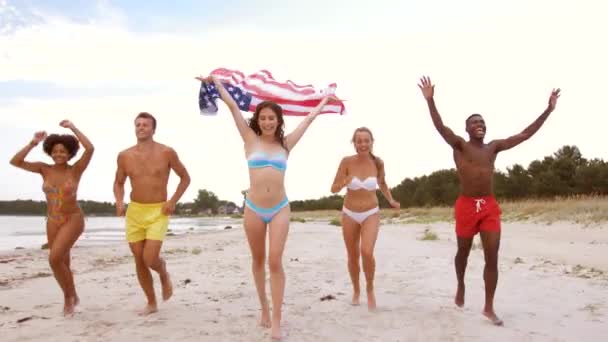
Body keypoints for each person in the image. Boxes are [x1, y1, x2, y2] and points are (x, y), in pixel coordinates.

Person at [197, 74, 334, 340]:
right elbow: (233, 108)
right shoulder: (249, 139)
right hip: (254, 209)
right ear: (257, 121)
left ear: (278, 121)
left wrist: (324, 100)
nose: (268, 122)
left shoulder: (286, 143)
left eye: (272, 118)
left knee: (275, 261)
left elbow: (308, 120)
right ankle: (263, 308)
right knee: (258, 260)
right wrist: (216, 84)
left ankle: (277, 320)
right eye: (263, 118)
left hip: (280, 207)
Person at [418, 76, 560, 325]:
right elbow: (441, 128)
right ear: (467, 129)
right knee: (462, 252)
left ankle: (488, 307)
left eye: (482, 121)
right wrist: (430, 101)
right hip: (466, 206)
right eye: (474, 122)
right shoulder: (460, 146)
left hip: (489, 207)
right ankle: (461, 283)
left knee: (491, 256)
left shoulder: (493, 147)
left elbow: (525, 134)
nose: (479, 124)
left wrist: (548, 109)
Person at [9, 120, 94, 316]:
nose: (58, 154)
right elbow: (15, 162)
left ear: (70, 153)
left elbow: (90, 148)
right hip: (52, 220)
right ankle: (71, 297)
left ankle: (69, 297)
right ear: (50, 151)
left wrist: (73, 128)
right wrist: (33, 143)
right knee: (62, 262)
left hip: (73, 218)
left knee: (54, 259)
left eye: (63, 151)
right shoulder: (43, 169)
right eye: (55, 151)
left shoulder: (76, 169)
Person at [113, 112, 191, 316]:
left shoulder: (167, 152)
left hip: (158, 211)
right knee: (139, 260)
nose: (141, 127)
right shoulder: (124, 155)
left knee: (150, 258)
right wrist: (119, 201)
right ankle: (151, 302)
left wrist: (172, 201)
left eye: (145, 125)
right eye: (137, 124)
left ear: (153, 129)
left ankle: (163, 272)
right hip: (135, 212)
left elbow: (185, 178)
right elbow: (119, 182)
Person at [330, 127, 400, 311]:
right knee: (353, 255)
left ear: (372, 142)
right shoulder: (346, 162)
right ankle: (356, 290)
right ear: (354, 143)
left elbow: (383, 184)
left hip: (371, 212)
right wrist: (345, 181)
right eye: (359, 141)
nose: (362, 144)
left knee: (366, 251)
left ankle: (369, 287)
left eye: (366, 140)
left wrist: (391, 200)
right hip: (349, 213)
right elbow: (333, 188)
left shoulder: (378, 163)